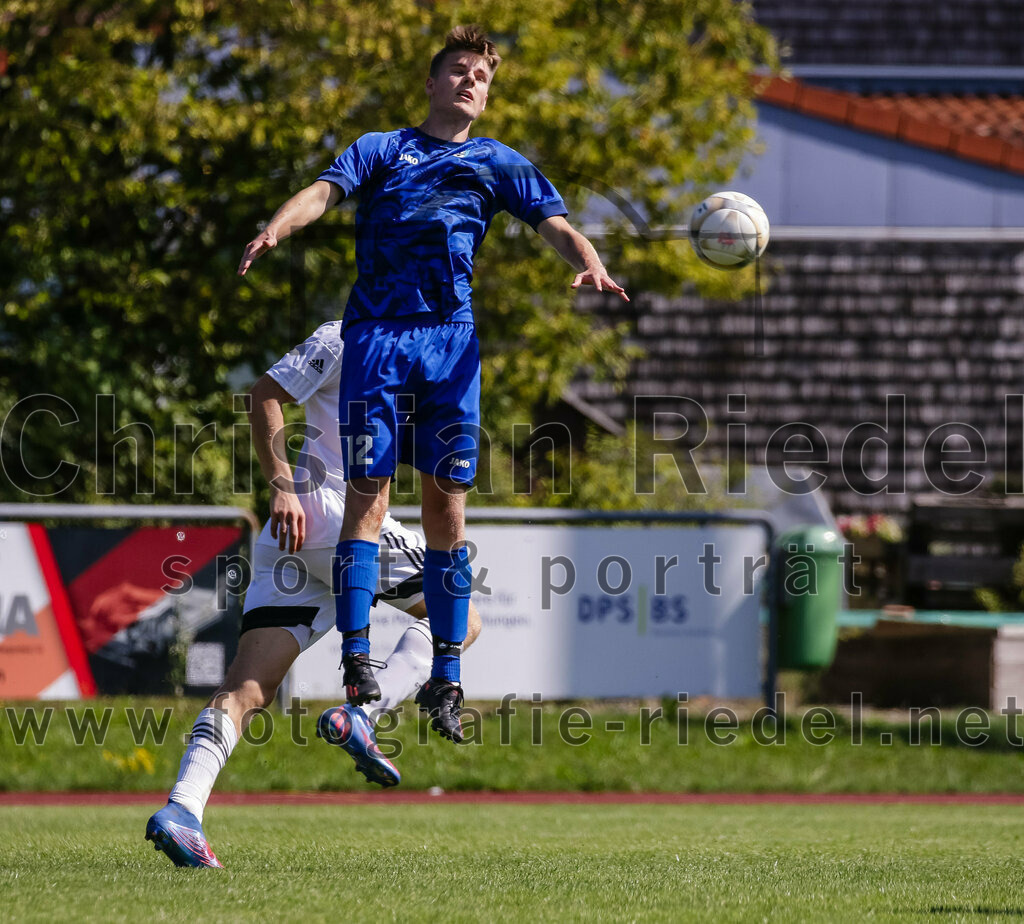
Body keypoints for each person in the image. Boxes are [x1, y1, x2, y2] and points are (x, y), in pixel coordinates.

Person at [237, 26, 627, 745]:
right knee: (370, 496)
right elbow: (322, 192)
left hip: (450, 345)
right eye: (458, 69)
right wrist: (276, 227)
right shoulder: (383, 148)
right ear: (431, 81)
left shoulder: (496, 161)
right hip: (378, 336)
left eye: (481, 73)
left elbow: (557, 224)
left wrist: (589, 260)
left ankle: (446, 679)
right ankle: (358, 661)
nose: (470, 80)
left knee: (447, 512)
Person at [145, 321, 482, 868]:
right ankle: (367, 714)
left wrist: (284, 487)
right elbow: (265, 395)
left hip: (296, 529)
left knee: (248, 687)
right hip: (332, 515)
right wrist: (283, 483)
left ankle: (183, 808)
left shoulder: (364, 333)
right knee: (463, 622)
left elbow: (263, 394)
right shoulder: (373, 337)